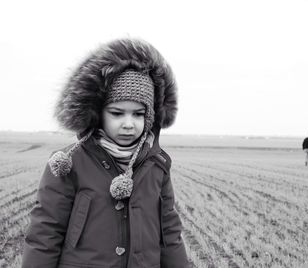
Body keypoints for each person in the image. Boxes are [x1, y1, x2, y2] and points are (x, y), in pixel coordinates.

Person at [22, 38, 189, 267]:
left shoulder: (157, 164)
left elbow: (170, 233)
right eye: (117, 113)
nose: (129, 124)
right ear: (98, 113)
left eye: (138, 114)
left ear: (149, 116)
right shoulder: (69, 163)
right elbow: (45, 232)